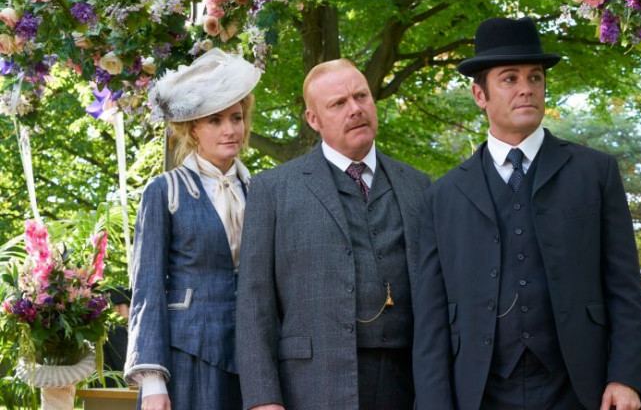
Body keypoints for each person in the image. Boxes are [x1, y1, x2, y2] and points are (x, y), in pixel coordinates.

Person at [412, 17, 641, 410]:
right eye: (510, 78)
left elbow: (624, 286)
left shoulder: (595, 172)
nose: (527, 88)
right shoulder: (442, 196)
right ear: (479, 94)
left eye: (535, 77)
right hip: (480, 393)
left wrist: (624, 376)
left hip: (579, 388)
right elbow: (432, 318)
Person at [236, 58, 430, 410]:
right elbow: (254, 303)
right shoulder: (273, 189)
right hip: (311, 385)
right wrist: (263, 400)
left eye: (361, 96)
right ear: (313, 119)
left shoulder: (419, 185)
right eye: (338, 103)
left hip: (408, 386)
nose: (355, 109)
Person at [124, 48, 261, 410]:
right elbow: (147, 288)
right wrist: (153, 382)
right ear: (192, 129)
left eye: (236, 117)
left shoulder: (260, 191)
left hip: (253, 358)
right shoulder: (164, 191)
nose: (230, 129)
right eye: (215, 120)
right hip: (186, 356)